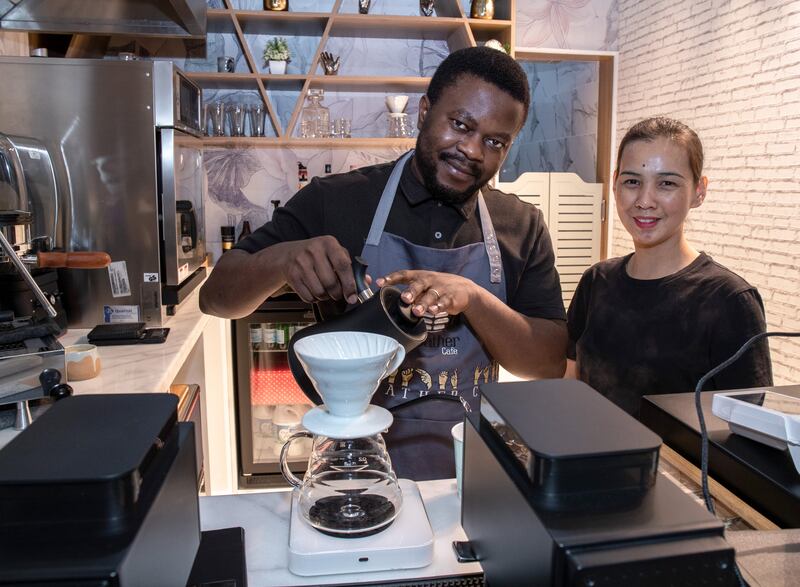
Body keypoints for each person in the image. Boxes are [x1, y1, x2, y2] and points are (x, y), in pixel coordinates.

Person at [200, 46, 568, 480]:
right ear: (425, 110)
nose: (471, 150)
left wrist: (472, 298)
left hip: (473, 477)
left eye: (494, 142)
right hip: (357, 473)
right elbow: (217, 298)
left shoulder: (521, 225)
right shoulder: (336, 200)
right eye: (460, 125)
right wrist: (283, 260)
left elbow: (547, 363)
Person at [566, 117, 772, 417]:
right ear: (614, 184)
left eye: (667, 183)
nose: (645, 201)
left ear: (699, 192)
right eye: (632, 181)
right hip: (589, 458)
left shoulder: (730, 300)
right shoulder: (596, 281)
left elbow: (749, 426)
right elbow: (570, 378)